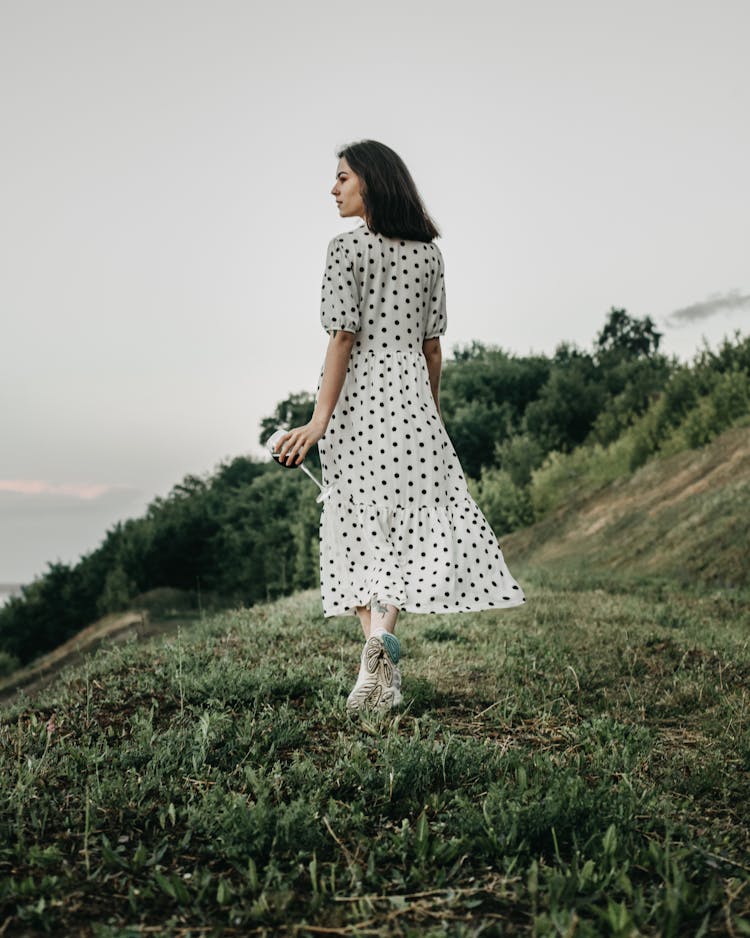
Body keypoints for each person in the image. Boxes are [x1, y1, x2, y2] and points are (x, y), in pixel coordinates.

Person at [273, 139, 526, 712]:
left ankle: (372, 651)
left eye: (341, 178)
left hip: (357, 400)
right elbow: (433, 348)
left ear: (371, 182)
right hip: (411, 402)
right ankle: (380, 653)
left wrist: (318, 420)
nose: (333, 189)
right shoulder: (429, 256)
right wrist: (430, 415)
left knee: (358, 519)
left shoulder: (345, 249)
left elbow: (342, 337)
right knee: (407, 527)